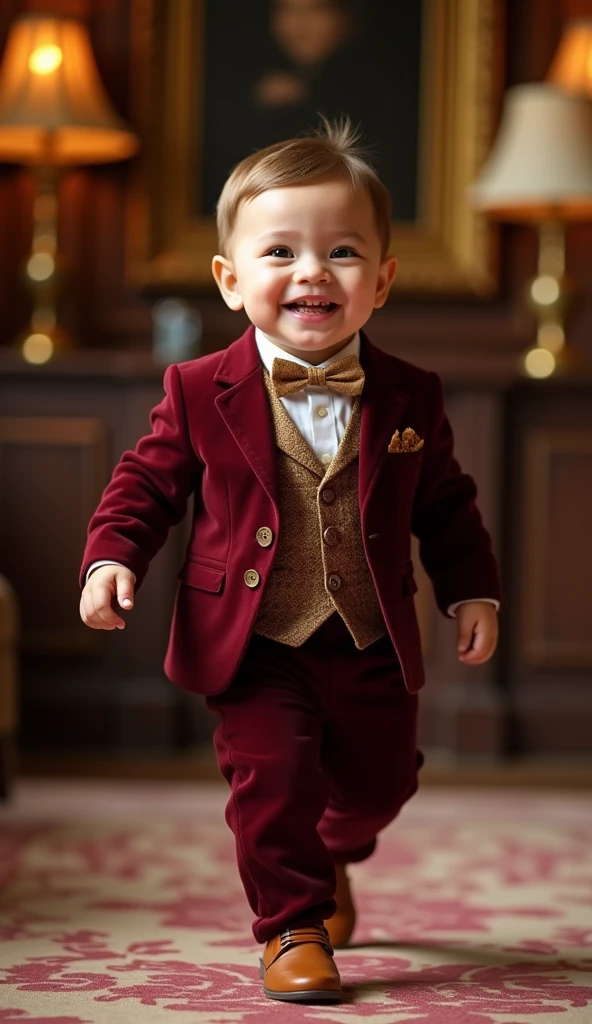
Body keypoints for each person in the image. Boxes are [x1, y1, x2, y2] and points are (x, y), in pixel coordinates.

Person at [79, 120, 501, 1005]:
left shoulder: (410, 394)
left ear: (382, 280)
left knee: (382, 783)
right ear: (233, 280)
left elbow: (447, 505)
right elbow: (144, 486)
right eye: (281, 250)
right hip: (253, 639)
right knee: (271, 783)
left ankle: (336, 848)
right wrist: (110, 559)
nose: (312, 272)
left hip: (371, 635)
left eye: (342, 251)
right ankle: (293, 927)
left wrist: (471, 591)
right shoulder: (198, 389)